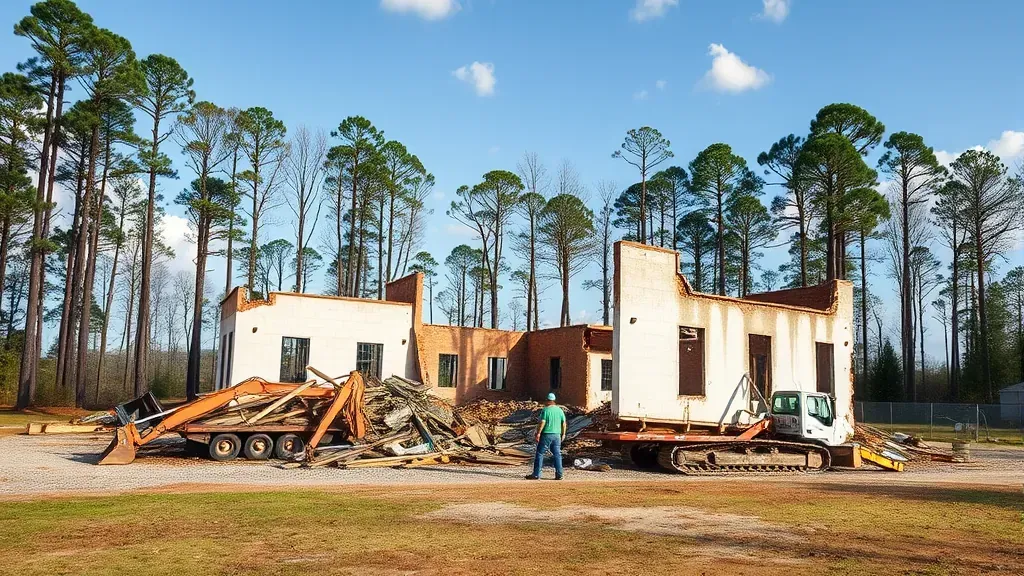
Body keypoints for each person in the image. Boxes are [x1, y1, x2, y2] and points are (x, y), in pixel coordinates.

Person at [526, 392, 566, 480]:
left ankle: (536, 474)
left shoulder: (545, 410)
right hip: (557, 435)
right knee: (557, 454)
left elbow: (543, 422)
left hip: (547, 434)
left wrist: (538, 433)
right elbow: (563, 423)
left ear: (547, 400)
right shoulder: (560, 410)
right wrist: (563, 434)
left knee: (540, 453)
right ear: (554, 400)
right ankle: (559, 474)